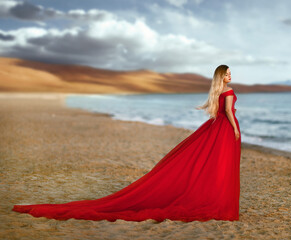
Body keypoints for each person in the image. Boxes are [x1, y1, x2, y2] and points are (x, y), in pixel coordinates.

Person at [12, 64, 241, 222]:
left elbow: (219, 111)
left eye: (230, 73)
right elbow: (229, 113)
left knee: (213, 165)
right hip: (223, 130)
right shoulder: (228, 91)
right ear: (221, 76)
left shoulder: (216, 92)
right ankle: (218, 201)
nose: (230, 76)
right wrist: (235, 130)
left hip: (213, 129)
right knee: (221, 166)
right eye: (228, 73)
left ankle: (214, 197)